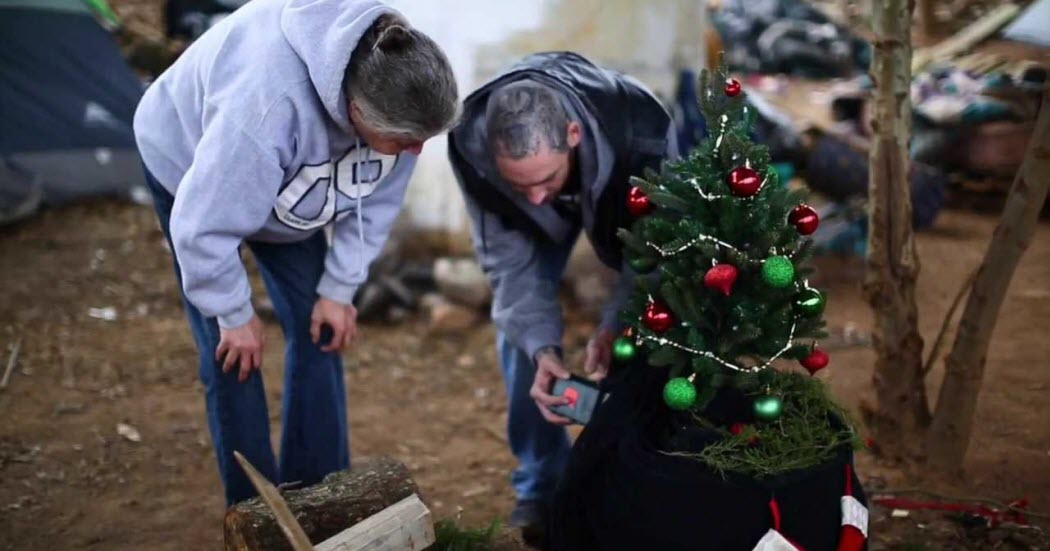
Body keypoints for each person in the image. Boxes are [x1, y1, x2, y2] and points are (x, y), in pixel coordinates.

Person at [133, 0, 458, 505]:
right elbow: (202, 228)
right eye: (403, 141)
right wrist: (232, 313)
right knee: (232, 355)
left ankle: (320, 495)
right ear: (355, 113)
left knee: (321, 328)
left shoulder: (398, 97)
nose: (415, 152)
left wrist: (339, 288)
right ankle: (256, 511)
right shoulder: (264, 108)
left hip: (289, 191)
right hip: (191, 167)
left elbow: (374, 201)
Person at [447, 51, 678, 541]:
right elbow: (511, 268)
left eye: (545, 180)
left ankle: (629, 471)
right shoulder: (471, 146)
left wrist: (616, 321)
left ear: (572, 135)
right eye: (520, 183)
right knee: (519, 329)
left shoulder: (644, 132)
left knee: (646, 325)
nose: (535, 198)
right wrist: (543, 349)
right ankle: (540, 485)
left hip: (624, 188)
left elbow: (653, 257)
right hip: (546, 199)